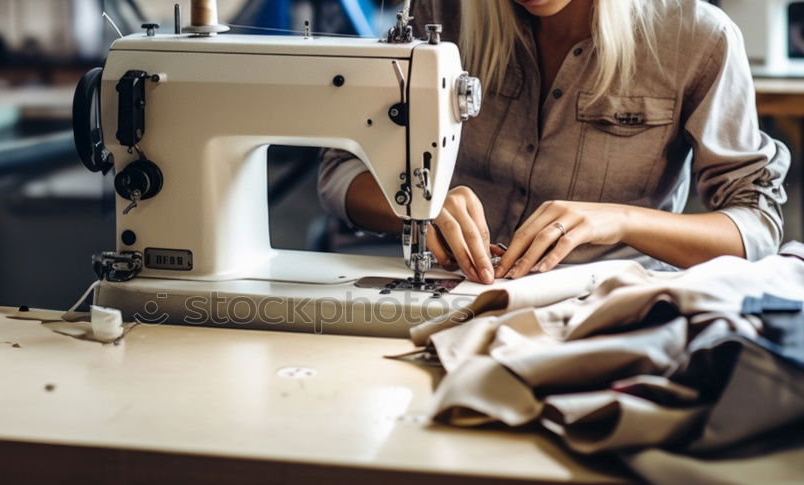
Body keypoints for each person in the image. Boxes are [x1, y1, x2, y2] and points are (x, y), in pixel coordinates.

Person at [317, 0, 790, 284]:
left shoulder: (697, 39)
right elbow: (341, 171)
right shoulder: (441, 14)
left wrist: (620, 221)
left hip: (609, 312)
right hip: (455, 293)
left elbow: (757, 226)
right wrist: (422, 205)